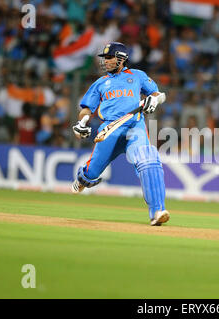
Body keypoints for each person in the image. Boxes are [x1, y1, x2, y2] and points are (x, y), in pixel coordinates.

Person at [71, 42, 169, 226]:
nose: (106, 61)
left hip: (135, 127)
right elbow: (86, 109)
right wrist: (82, 122)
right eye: (105, 58)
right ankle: (82, 177)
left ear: (122, 58)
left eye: (109, 57)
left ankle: (157, 212)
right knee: (91, 173)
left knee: (148, 160)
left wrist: (154, 100)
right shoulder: (100, 83)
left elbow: (158, 94)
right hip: (110, 130)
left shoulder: (137, 76)